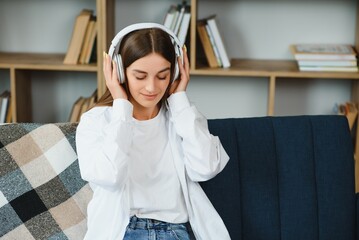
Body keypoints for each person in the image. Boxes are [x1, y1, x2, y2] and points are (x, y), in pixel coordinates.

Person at [76, 23, 231, 240]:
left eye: (162, 76)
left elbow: (206, 168)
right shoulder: (96, 121)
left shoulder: (181, 117)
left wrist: (179, 100)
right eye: (140, 76)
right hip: (123, 231)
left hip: (175, 231)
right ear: (119, 72)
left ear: (175, 72)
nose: (151, 88)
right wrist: (121, 105)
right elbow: (110, 177)